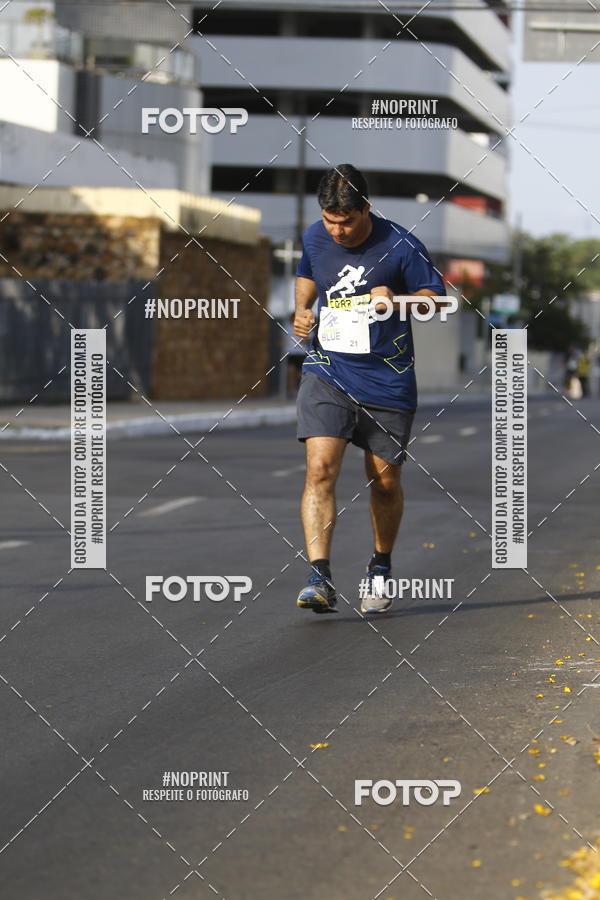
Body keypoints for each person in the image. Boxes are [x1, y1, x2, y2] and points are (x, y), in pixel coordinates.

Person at [294, 163, 447, 615]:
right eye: (330, 221)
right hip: (328, 369)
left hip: (387, 379)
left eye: (347, 221)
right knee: (320, 469)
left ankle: (380, 565)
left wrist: (394, 300)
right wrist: (301, 310)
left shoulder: (400, 244)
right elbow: (307, 270)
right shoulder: (314, 236)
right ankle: (319, 576)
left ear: (366, 209)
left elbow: (437, 301)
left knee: (384, 481)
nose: (337, 231)